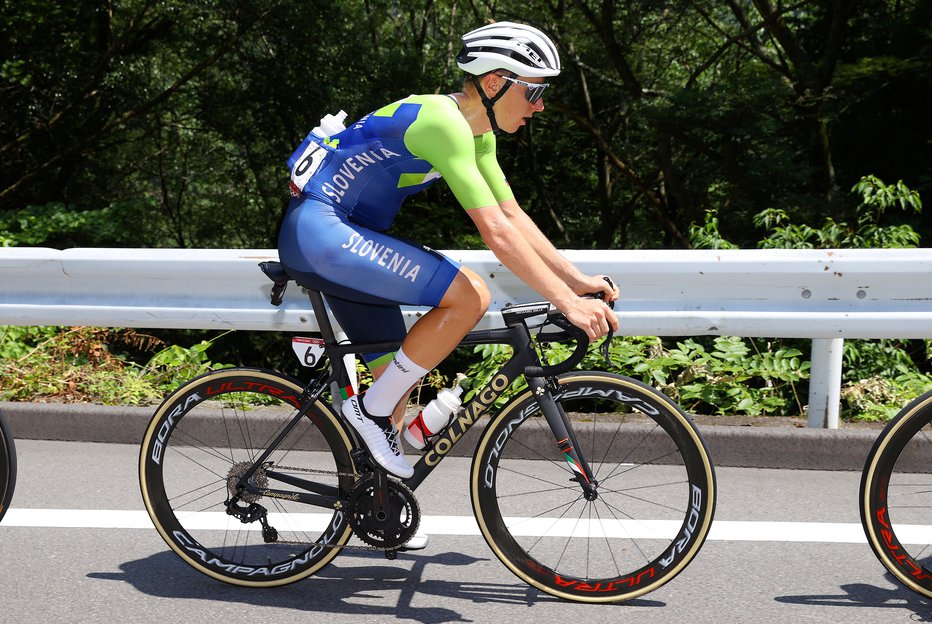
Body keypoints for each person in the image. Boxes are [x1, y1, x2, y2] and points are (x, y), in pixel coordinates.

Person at [278, 21, 619, 486]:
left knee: (396, 384)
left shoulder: (480, 136)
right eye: (534, 94)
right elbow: (495, 233)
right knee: (469, 295)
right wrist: (567, 302)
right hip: (322, 232)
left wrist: (576, 280)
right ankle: (366, 411)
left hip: (344, 237)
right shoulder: (442, 122)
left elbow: (512, 215)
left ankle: (376, 510)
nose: (539, 107)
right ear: (496, 83)